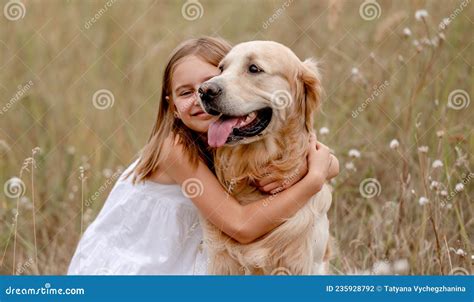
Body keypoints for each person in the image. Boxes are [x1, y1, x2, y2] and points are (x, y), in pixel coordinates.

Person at [67, 36, 339, 275]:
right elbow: (241, 226)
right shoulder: (175, 148)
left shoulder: (231, 139)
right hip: (138, 268)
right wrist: (313, 179)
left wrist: (326, 165)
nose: (205, 94)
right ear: (171, 106)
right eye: (186, 92)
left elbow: (320, 154)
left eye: (253, 70)